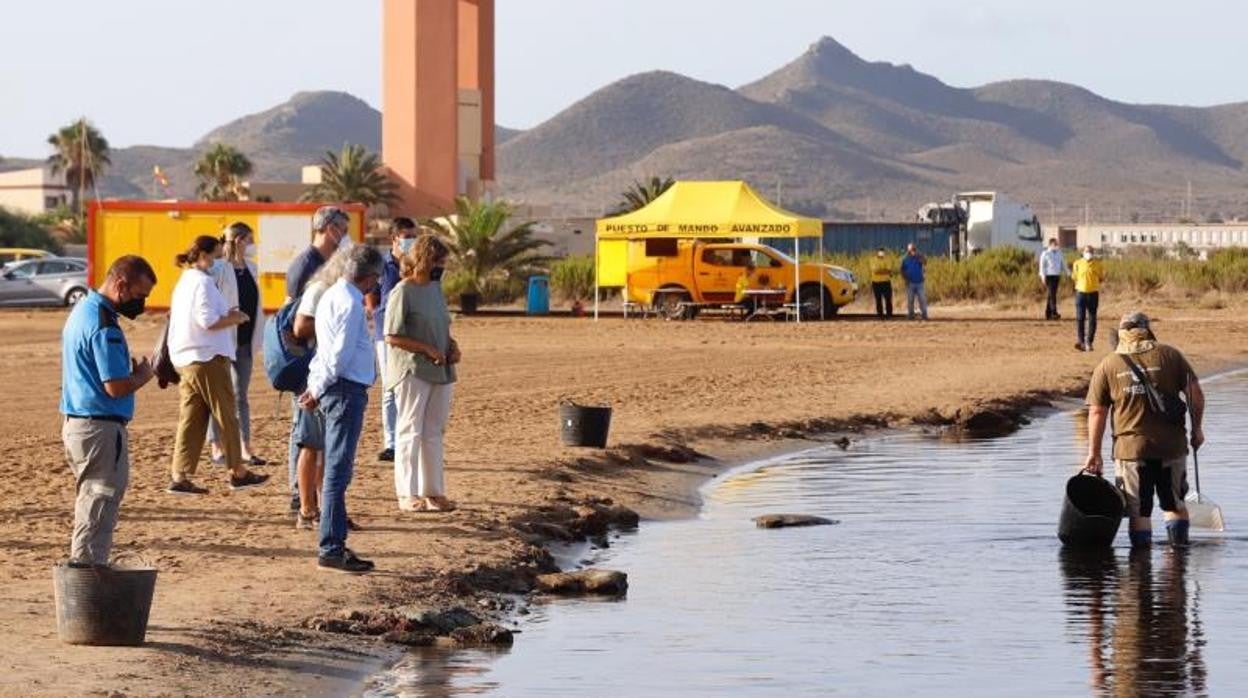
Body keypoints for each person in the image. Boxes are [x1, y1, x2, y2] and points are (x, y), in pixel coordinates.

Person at [60, 256, 157, 565]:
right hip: (100, 429)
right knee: (98, 504)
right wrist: (143, 375)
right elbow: (114, 386)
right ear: (121, 285)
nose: (140, 304)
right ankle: (87, 576)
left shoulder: (83, 311)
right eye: (139, 295)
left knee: (91, 500)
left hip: (81, 425)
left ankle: (87, 570)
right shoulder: (104, 324)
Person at [1083, 312, 1204, 549]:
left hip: (1131, 452)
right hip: (1171, 448)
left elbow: (1097, 412)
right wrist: (1197, 430)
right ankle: (1176, 570)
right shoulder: (1170, 355)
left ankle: (1140, 572)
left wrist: (1094, 453)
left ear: (1121, 334)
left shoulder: (1108, 365)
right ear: (1147, 330)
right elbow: (1196, 395)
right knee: (1175, 505)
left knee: (1139, 511)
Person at [299, 245, 384, 573]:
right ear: (372, 277)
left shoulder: (333, 295)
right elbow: (338, 355)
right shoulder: (349, 303)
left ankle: (333, 543)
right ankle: (331, 547)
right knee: (337, 472)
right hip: (345, 391)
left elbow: (325, 353)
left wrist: (315, 386)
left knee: (335, 470)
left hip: (335, 388)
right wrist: (318, 387)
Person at [166, 235, 269, 495]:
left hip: (189, 357)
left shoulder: (186, 281)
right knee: (226, 414)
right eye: (216, 256)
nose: (219, 261)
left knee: (192, 418)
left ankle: (180, 475)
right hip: (206, 357)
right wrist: (235, 317)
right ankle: (238, 471)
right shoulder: (201, 282)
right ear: (204, 254)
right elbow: (207, 320)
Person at [284, 205, 352, 516]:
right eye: (342, 228)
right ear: (328, 228)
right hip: (308, 364)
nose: (344, 235)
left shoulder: (329, 263)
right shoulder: (306, 265)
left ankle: (320, 503)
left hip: (326, 364)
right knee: (306, 437)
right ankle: (301, 499)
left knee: (323, 441)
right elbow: (297, 323)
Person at [386, 235, 461, 513]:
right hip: (412, 369)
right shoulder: (403, 291)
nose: (442, 267)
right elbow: (392, 335)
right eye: (439, 261)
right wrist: (427, 349)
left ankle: (434, 492)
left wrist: (452, 346)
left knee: (433, 431)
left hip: (440, 369)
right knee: (409, 430)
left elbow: (443, 326)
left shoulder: (436, 289)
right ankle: (407, 493)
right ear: (426, 260)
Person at [207, 222, 266, 466]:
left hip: (245, 340)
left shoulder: (252, 268)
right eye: (250, 240)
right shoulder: (218, 269)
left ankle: (245, 446)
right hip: (222, 339)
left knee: (240, 395)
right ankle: (216, 445)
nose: (252, 245)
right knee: (219, 394)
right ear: (240, 240)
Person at [371, 217, 419, 463]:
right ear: (394, 238)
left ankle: (407, 438)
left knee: (410, 386)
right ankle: (391, 443)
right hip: (386, 334)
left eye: (414, 234)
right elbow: (373, 297)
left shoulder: (417, 264)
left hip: (413, 334)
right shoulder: (382, 265)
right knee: (390, 389)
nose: (411, 239)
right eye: (406, 235)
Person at [1071, 245, 1105, 351]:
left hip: (1093, 294)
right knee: (1080, 318)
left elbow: (1101, 278)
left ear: (1093, 253)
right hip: (1080, 293)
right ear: (1083, 252)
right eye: (1086, 251)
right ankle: (1081, 342)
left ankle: (1089, 342)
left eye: (1090, 251)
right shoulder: (1077, 263)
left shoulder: (1098, 264)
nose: (1088, 253)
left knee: (1092, 318)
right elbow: (1074, 277)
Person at [1038, 238, 1069, 320]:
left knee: (1051, 295)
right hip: (1049, 276)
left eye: (1057, 244)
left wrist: (1068, 273)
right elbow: (1042, 266)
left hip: (1056, 276)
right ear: (1050, 244)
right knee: (1052, 295)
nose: (1056, 246)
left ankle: (1048, 313)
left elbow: (1064, 264)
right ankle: (1054, 312)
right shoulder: (1045, 253)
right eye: (1055, 244)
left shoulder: (1059, 253)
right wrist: (1042, 276)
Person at [900, 243, 928, 320]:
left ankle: (924, 315)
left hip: (920, 282)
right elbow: (901, 270)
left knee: (922, 299)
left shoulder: (918, 257)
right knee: (910, 300)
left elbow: (925, 262)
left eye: (914, 249)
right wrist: (905, 279)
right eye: (912, 249)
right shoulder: (904, 259)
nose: (913, 251)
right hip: (910, 283)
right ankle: (910, 315)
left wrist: (919, 255)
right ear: (908, 250)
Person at [868, 247, 895, 319]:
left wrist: (881, 270)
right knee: (878, 299)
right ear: (877, 252)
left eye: (882, 251)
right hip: (876, 283)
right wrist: (884, 270)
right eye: (880, 251)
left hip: (886, 282)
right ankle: (880, 315)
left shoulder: (888, 259)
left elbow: (889, 270)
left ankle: (889, 315)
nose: (881, 253)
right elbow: (875, 271)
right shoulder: (872, 260)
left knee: (888, 299)